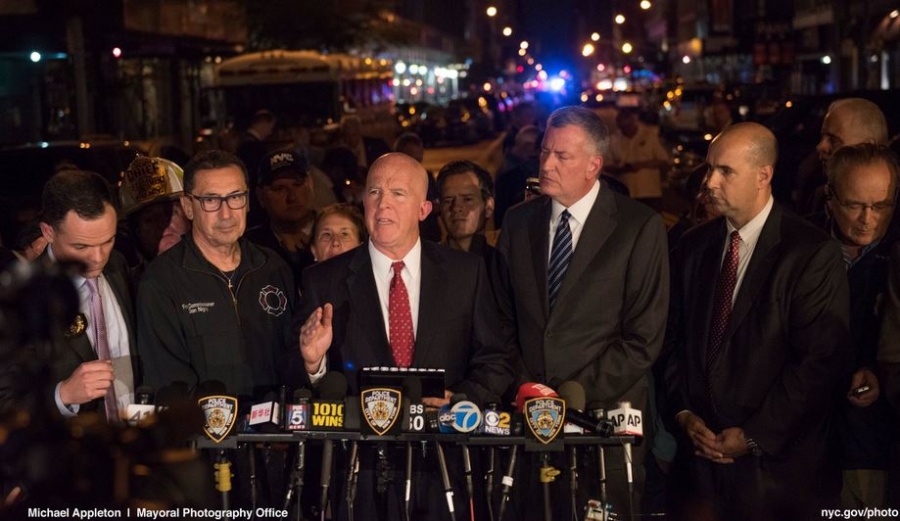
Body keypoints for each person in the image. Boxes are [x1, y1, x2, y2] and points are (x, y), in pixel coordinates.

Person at [293, 152, 512, 520]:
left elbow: (496, 358)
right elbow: (294, 374)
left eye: (398, 193)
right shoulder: (323, 279)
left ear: (425, 209)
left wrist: (460, 402)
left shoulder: (467, 273)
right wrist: (313, 363)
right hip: (357, 471)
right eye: (375, 192)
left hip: (445, 462)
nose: (383, 204)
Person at [665, 122, 852, 520]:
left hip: (778, 472)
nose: (710, 181)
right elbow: (673, 341)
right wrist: (683, 413)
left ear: (763, 175)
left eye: (725, 171)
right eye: (710, 168)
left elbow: (818, 364)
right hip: (699, 468)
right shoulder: (693, 247)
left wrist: (752, 437)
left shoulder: (810, 253)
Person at [492, 106, 669, 519]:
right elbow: (499, 319)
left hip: (606, 424)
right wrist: (528, 388)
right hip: (529, 417)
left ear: (594, 165)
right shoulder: (518, 223)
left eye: (562, 156)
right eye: (544, 152)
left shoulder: (638, 227)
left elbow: (643, 338)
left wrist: (572, 394)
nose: (547, 164)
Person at [136, 150, 295, 399]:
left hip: (276, 432)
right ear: (188, 207)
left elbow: (293, 356)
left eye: (235, 197)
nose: (226, 214)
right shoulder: (161, 282)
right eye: (211, 200)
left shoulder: (273, 267)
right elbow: (168, 380)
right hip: (207, 434)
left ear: (249, 201)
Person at [807, 143, 899, 511]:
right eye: (855, 205)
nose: (868, 219)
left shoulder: (894, 257)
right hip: (805, 445)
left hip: (874, 447)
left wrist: (880, 373)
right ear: (830, 198)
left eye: (881, 206)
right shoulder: (801, 249)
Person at [38, 170, 139, 422]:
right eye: (81, 246)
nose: (98, 258)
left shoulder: (118, 266)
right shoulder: (22, 299)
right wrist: (62, 395)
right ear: (48, 232)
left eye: (107, 241)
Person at [795, 98, 888, 214]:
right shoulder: (820, 196)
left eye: (833, 140)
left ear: (868, 146)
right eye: (822, 137)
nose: (821, 147)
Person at [244, 149, 317, 291]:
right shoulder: (248, 249)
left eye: (297, 184)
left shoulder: (339, 234)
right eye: (279, 189)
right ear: (261, 197)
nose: (292, 197)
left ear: (310, 184)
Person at [115, 155, 189, 277]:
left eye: (170, 213)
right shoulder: (128, 289)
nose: (162, 225)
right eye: (149, 219)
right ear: (137, 233)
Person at [606, 108, 670, 211]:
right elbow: (607, 166)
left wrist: (640, 165)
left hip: (649, 192)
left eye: (628, 126)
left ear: (633, 122)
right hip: (626, 194)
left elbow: (663, 160)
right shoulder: (614, 140)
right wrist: (621, 169)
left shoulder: (649, 136)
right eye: (622, 127)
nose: (625, 130)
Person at [436, 160, 497, 263]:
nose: (456, 207)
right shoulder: (424, 263)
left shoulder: (503, 263)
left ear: (488, 206)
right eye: (448, 201)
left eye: (467, 199)